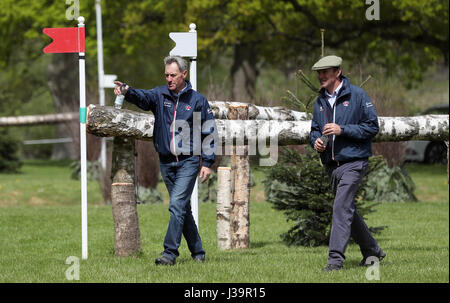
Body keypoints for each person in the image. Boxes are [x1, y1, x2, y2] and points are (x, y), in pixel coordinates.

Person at [114, 55, 216, 266]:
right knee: (182, 209)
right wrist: (127, 91)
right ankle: (198, 252)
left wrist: (207, 163)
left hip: (189, 161)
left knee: (177, 205)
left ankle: (170, 253)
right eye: (166, 75)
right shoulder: (159, 95)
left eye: (173, 75)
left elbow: (209, 132)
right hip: (166, 162)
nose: (169, 79)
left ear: (184, 74)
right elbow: (142, 98)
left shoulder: (197, 101)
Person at [309, 55, 385, 272]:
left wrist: (343, 130)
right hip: (331, 165)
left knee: (341, 208)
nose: (321, 76)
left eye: (325, 72)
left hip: (354, 161)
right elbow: (314, 129)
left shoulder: (358, 95)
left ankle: (335, 261)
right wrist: (316, 141)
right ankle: (373, 251)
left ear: (337, 72)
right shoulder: (320, 100)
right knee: (348, 210)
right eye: (319, 73)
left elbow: (372, 127)